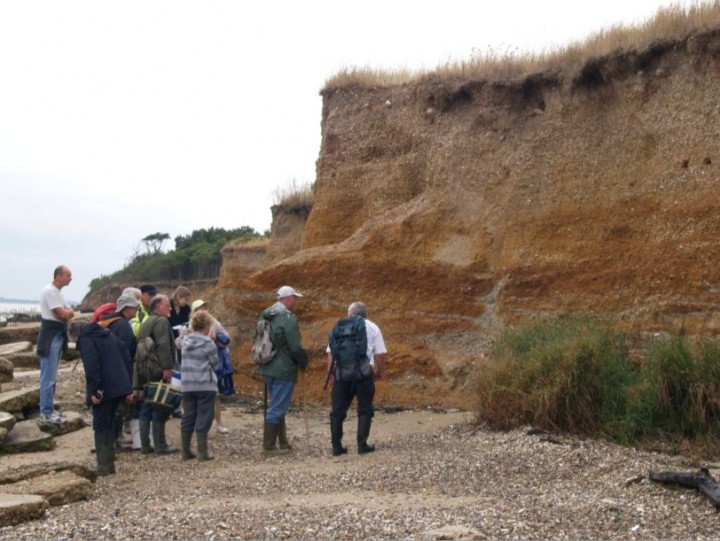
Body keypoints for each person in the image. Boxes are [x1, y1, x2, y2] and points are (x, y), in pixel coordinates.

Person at [70, 320, 134, 476]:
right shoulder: (108, 334)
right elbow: (126, 356)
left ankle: (104, 465)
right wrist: (127, 385)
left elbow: (92, 367)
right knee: (110, 421)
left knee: (100, 425)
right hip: (119, 386)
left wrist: (95, 391)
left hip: (105, 389)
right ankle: (109, 461)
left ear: (74, 334)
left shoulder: (87, 340)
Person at [326, 301, 387, 456]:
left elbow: (330, 353)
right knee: (365, 409)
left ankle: (336, 447)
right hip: (364, 374)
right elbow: (379, 354)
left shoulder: (339, 327)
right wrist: (380, 371)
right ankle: (362, 445)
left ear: (349, 313)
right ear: (365, 313)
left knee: (338, 410)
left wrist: (331, 374)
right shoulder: (372, 327)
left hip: (342, 374)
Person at [256, 285, 309, 455]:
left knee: (277, 404)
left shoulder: (266, 316)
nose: (295, 301)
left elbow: (255, 338)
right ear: (286, 299)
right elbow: (295, 347)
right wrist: (304, 361)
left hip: (268, 366)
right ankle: (269, 447)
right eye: (294, 298)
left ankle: (283, 442)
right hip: (283, 368)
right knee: (278, 407)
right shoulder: (287, 318)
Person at [176, 299, 233, 434]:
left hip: (210, 367)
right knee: (194, 400)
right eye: (199, 308)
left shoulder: (215, 323)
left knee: (215, 396)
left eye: (204, 307)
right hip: (193, 367)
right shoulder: (187, 326)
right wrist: (191, 342)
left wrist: (217, 338)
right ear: (194, 312)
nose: (203, 310)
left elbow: (227, 338)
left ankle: (218, 424)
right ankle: (198, 427)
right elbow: (178, 343)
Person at [133, 294, 178, 454]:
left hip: (145, 369)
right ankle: (160, 445)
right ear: (158, 307)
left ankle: (145, 445)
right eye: (167, 306)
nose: (171, 309)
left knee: (146, 407)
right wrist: (167, 368)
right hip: (157, 368)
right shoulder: (162, 322)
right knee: (160, 405)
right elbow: (164, 345)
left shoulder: (146, 322)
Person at [100, 292, 140, 449]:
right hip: (120, 369)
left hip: (106, 368)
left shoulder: (107, 322)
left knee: (110, 405)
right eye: (134, 308)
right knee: (119, 406)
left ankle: (111, 438)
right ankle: (116, 438)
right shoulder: (123, 325)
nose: (136, 310)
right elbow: (128, 349)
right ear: (127, 309)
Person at [37, 265, 75, 424]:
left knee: (53, 375)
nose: (71, 278)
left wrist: (67, 312)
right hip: (50, 336)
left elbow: (66, 312)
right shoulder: (50, 291)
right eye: (68, 275)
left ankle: (49, 410)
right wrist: (68, 312)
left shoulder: (57, 293)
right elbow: (62, 315)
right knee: (48, 377)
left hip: (57, 335)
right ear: (58, 275)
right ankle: (46, 412)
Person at [180, 309, 219, 461]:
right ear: (206, 326)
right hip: (205, 385)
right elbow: (215, 363)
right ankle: (202, 452)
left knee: (188, 415)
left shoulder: (185, 343)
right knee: (205, 415)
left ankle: (186, 451)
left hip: (187, 385)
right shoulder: (208, 343)